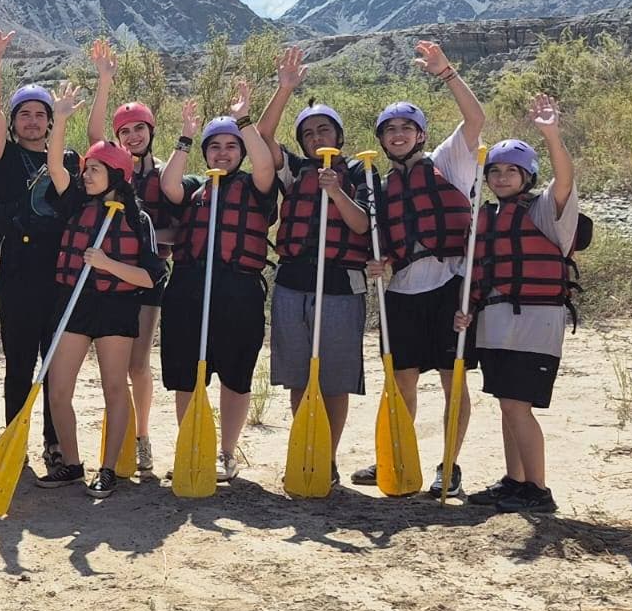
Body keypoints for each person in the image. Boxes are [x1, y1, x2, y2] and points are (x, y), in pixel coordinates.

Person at [359, 41, 487, 498]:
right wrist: (382, 261)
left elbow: (476, 121)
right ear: (381, 139)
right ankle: (396, 455)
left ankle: (448, 465)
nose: (397, 134)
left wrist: (446, 73)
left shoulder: (450, 162)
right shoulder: (381, 183)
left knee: (454, 382)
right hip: (402, 293)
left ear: (420, 134)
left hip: (450, 285)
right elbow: (385, 240)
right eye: (389, 128)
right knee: (400, 383)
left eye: (406, 127)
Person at [254, 48, 372, 484]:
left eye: (325, 129)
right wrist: (284, 89)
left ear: (338, 135)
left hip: (342, 285)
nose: (316, 135)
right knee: (301, 378)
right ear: (302, 141)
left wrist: (338, 192)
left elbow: (362, 227)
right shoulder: (296, 170)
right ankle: (306, 447)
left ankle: (328, 457)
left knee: (335, 379)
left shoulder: (359, 172)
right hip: (293, 281)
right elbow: (263, 135)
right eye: (309, 131)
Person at [458, 95, 578, 514]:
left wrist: (551, 136)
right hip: (495, 320)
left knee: (516, 405)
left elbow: (564, 181)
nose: (503, 177)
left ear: (527, 176)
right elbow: (479, 273)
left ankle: (538, 491)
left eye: (512, 171)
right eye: (496, 170)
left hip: (535, 322)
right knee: (506, 402)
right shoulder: (486, 217)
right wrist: (468, 310)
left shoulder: (546, 212)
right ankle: (515, 481)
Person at [40, 87, 160, 495]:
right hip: (72, 304)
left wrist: (108, 264)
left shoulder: (136, 219)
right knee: (58, 389)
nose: (85, 174)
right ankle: (71, 464)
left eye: (94, 170)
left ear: (116, 176)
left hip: (116, 307)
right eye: (87, 168)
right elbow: (55, 166)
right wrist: (59, 119)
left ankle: (108, 468)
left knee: (113, 387)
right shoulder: (75, 202)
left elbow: (151, 277)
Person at [157, 84, 278, 482]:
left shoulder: (256, 188)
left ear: (241, 150)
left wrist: (245, 120)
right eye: (215, 147)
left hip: (239, 290)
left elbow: (265, 167)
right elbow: (168, 186)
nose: (223, 153)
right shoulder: (194, 185)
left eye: (231, 146)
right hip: (189, 287)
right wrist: (186, 137)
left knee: (235, 376)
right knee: (188, 375)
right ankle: (192, 445)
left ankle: (226, 451)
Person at [0, 31, 61, 469]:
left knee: (56, 369)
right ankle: (15, 444)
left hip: (59, 276)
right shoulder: (2, 159)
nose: (31, 121)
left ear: (50, 122)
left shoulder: (69, 163)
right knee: (19, 367)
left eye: (39, 115)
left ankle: (56, 444)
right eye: (23, 114)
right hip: (19, 276)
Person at [87, 38, 167, 477]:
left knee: (138, 363)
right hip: (109, 273)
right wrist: (104, 82)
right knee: (117, 367)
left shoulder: (163, 173)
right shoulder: (112, 166)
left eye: (139, 129)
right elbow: (94, 137)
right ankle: (124, 435)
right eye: (126, 131)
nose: (132, 137)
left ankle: (141, 438)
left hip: (146, 275)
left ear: (151, 131)